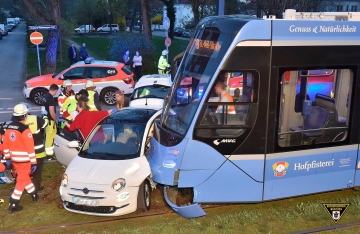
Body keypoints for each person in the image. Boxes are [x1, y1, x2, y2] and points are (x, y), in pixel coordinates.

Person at [3, 103, 38, 213]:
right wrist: (34, 163)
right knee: (21, 181)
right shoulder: (25, 129)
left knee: (24, 177)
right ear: (25, 115)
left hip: (14, 160)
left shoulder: (8, 127)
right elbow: (30, 148)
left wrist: (8, 157)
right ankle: (13, 203)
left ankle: (33, 194)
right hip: (25, 160)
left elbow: (5, 144)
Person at [24, 104, 48, 192]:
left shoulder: (19, 121)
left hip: (25, 151)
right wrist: (44, 115)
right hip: (38, 150)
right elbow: (45, 124)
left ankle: (24, 185)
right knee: (38, 170)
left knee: (24, 170)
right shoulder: (35, 118)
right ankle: (36, 186)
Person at [43, 84, 59, 159]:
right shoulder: (51, 99)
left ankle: (49, 153)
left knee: (47, 137)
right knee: (50, 138)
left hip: (45, 120)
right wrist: (56, 120)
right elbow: (52, 112)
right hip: (50, 121)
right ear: (55, 90)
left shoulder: (45, 96)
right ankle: (49, 155)